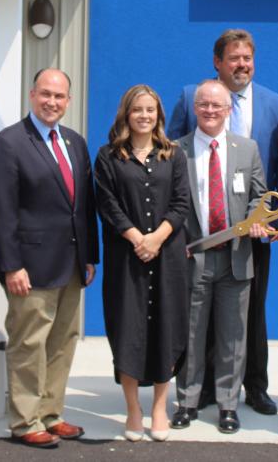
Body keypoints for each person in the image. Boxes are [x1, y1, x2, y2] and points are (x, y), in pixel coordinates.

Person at [168, 28, 278, 416]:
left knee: (248, 314)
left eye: (247, 59)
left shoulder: (275, 104)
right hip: (202, 233)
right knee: (198, 311)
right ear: (217, 62)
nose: (242, 65)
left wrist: (272, 220)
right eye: (234, 58)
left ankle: (254, 386)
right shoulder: (193, 97)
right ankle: (201, 388)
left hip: (254, 229)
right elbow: (172, 157)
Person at [0, 69, 99, 449]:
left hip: (71, 261)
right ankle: (25, 420)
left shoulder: (75, 142)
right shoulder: (9, 143)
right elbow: (1, 211)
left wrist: (90, 255)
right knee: (29, 342)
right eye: (45, 94)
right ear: (32, 95)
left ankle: (52, 413)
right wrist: (10, 264)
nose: (52, 102)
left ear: (68, 101)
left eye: (59, 96)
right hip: (29, 265)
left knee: (62, 340)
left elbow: (84, 206)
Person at [94, 85, 191, 442]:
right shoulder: (108, 157)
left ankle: (160, 408)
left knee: (166, 329)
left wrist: (156, 238)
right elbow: (107, 205)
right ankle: (133, 409)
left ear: (159, 115)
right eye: (138, 110)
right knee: (128, 332)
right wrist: (138, 238)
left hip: (166, 258)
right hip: (127, 259)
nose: (144, 116)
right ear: (126, 114)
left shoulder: (174, 155)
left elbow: (181, 203)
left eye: (151, 110)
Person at [171, 79, 268, 435]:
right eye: (204, 105)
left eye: (217, 105)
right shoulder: (176, 150)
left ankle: (228, 404)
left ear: (229, 110)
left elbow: (259, 196)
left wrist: (258, 220)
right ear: (194, 109)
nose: (210, 111)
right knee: (192, 334)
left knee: (233, 335)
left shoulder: (247, 149)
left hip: (236, 258)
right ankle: (188, 401)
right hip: (193, 257)